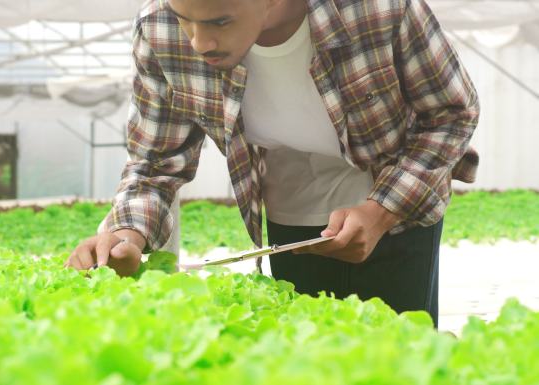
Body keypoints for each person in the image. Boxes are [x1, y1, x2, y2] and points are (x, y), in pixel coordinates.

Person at [65, 0, 479, 326]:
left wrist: (380, 213)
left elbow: (451, 113)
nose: (197, 42)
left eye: (220, 22)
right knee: (302, 348)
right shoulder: (159, 29)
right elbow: (155, 161)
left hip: (396, 191)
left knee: (397, 344)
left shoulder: (377, 10)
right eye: (184, 18)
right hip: (290, 199)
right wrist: (127, 233)